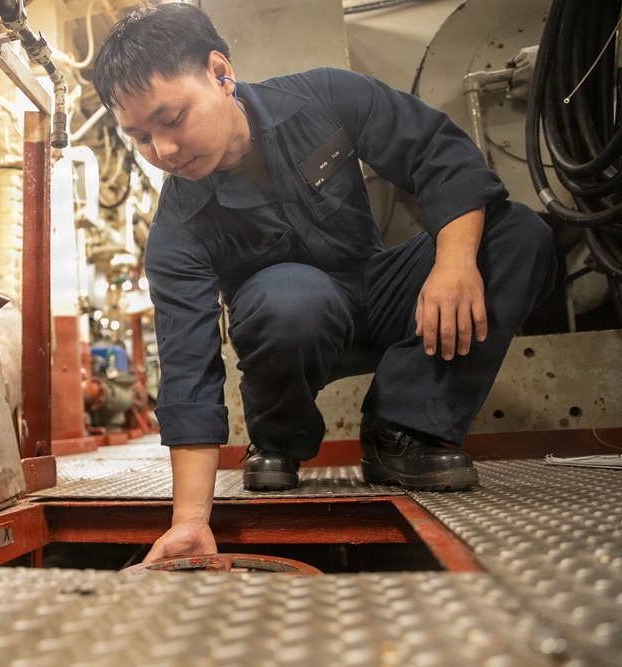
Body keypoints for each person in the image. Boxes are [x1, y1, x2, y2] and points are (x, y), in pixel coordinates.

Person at [90, 3, 556, 561]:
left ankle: (402, 430)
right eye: (140, 137)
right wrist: (190, 520)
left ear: (219, 72)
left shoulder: (326, 97)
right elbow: (188, 368)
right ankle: (278, 441)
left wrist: (453, 265)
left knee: (517, 233)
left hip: (382, 291)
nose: (162, 151)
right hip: (293, 329)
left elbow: (438, 155)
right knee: (287, 297)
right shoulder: (176, 230)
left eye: (171, 120)